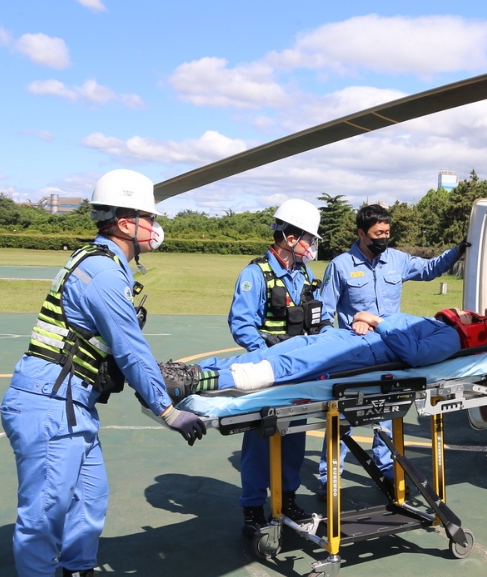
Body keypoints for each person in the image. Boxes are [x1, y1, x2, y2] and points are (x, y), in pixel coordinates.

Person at [0, 169, 207, 577]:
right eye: (147, 216)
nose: (155, 226)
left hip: (72, 405)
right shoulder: (102, 273)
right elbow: (130, 349)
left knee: (88, 502)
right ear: (123, 222)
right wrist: (167, 410)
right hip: (48, 405)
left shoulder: (104, 264)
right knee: (45, 512)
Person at [316, 203, 468, 494]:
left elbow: (428, 269)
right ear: (361, 233)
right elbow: (324, 313)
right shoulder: (340, 265)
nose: (383, 238)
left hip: (393, 349)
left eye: (387, 231)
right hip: (356, 353)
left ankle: (387, 468)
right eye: (377, 233)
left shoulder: (396, 260)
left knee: (388, 412)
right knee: (344, 417)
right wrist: (343, 334)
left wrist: (458, 250)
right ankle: (329, 478)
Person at [226, 199, 327, 538]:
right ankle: (253, 507)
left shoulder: (303, 273)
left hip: (301, 375)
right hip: (270, 375)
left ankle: (286, 499)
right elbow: (242, 325)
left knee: (294, 438)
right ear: (289, 237)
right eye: (308, 239)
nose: (311, 246)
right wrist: (270, 359)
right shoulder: (255, 274)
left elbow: (317, 318)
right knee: (260, 439)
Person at [159, 311, 460, 398]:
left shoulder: (451, 337)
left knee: (284, 366)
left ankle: (198, 382)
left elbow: (415, 354)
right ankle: (185, 371)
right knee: (266, 354)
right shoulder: (428, 321)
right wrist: (361, 319)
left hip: (359, 350)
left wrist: (376, 321)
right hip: (342, 337)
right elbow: (376, 322)